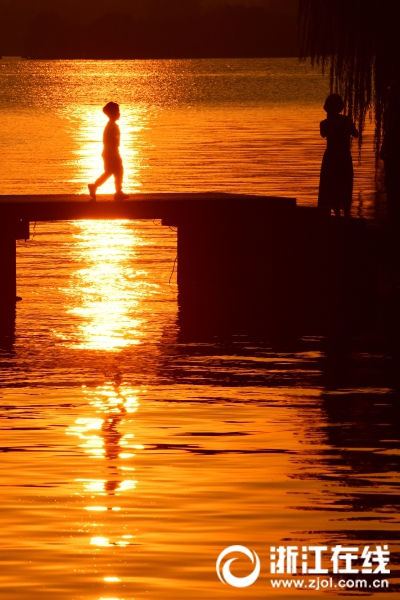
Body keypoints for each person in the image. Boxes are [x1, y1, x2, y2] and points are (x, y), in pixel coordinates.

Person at [318, 94, 358, 217]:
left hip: (330, 157)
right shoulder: (346, 121)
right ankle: (345, 211)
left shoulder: (324, 123)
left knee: (330, 184)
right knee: (344, 183)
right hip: (344, 157)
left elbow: (324, 134)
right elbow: (355, 134)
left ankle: (335, 211)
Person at [88, 102, 129, 201]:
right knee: (117, 171)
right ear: (113, 114)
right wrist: (114, 153)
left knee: (111, 171)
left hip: (109, 152)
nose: (119, 114)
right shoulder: (112, 126)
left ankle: (96, 186)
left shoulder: (111, 125)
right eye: (117, 112)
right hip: (111, 152)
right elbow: (113, 141)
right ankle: (117, 192)